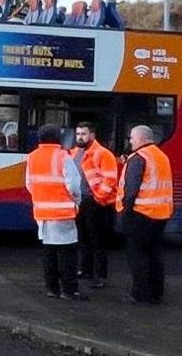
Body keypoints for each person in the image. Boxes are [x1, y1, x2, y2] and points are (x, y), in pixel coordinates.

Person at [25, 124, 85, 300]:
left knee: (49, 253)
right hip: (63, 213)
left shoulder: (32, 157)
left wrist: (41, 198)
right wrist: (76, 202)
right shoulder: (62, 157)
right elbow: (73, 185)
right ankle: (69, 290)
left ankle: (52, 289)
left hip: (42, 213)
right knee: (67, 254)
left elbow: (29, 184)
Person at [117, 125, 174, 305]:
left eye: (132, 138)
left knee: (138, 256)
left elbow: (131, 190)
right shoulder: (161, 156)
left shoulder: (138, 158)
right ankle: (156, 293)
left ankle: (139, 294)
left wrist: (124, 213)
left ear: (141, 138)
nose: (130, 141)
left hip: (141, 214)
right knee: (155, 255)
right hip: (161, 213)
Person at [70, 121, 119, 289]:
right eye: (77, 134)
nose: (80, 137)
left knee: (98, 241)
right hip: (80, 201)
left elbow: (110, 179)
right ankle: (86, 270)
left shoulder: (103, 153)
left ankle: (100, 276)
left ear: (92, 135)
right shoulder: (75, 153)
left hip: (96, 203)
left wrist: (99, 198)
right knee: (83, 238)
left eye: (83, 134)